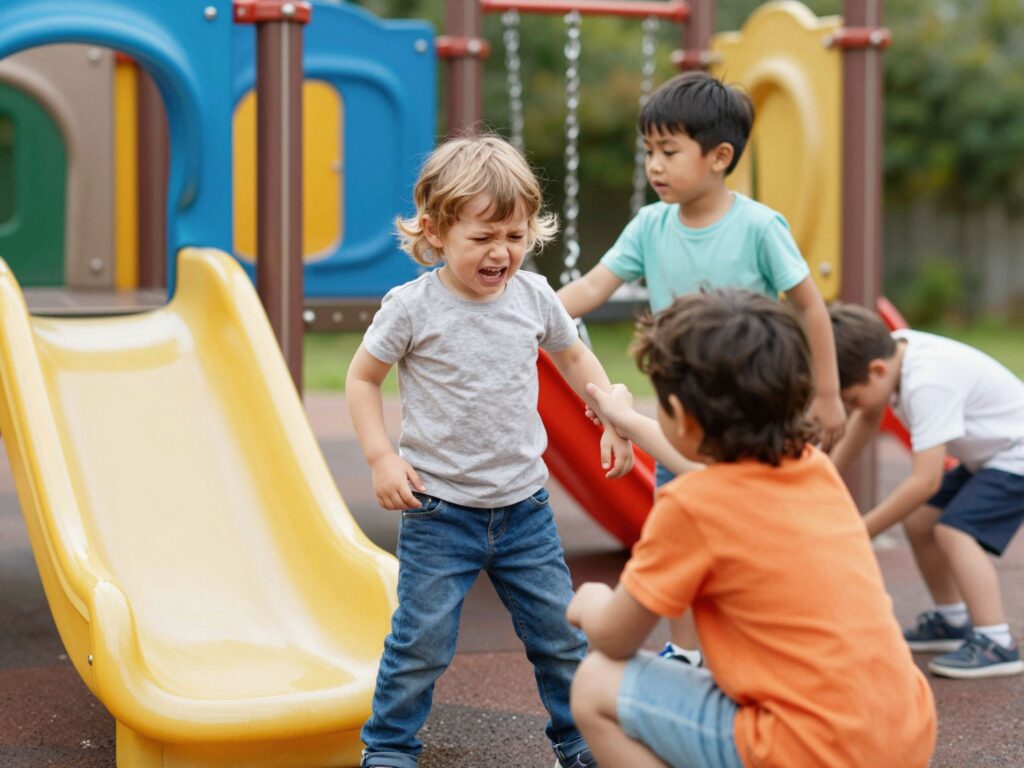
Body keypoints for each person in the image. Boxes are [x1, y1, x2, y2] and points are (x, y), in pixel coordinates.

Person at [346, 135, 633, 768]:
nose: (501, 251)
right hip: (438, 511)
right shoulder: (412, 308)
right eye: (483, 238)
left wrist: (612, 417)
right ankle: (389, 747)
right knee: (421, 641)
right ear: (436, 230)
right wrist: (379, 457)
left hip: (524, 509)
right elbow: (363, 377)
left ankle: (580, 741)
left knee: (560, 637)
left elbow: (576, 354)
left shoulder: (533, 296)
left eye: (515, 234)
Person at [566, 288, 936, 768]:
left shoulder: (692, 506)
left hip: (810, 749)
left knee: (596, 683)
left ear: (680, 415)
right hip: (904, 734)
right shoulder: (813, 468)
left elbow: (616, 638)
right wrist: (630, 422)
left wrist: (590, 603)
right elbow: (714, 472)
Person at [556, 71, 845, 471]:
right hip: (681, 412)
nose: (654, 166)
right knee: (681, 507)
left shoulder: (759, 227)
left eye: (669, 152)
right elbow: (590, 287)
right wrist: (530, 313)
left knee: (749, 509)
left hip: (753, 404)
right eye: (649, 151)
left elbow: (810, 307)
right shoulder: (649, 225)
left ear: (720, 157)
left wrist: (828, 394)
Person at [828, 303, 1024, 678]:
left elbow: (926, 481)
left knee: (955, 530)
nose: (851, 407)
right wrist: (824, 473)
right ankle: (953, 621)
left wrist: (861, 531)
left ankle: (997, 641)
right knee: (920, 521)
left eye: (850, 398)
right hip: (991, 455)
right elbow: (867, 417)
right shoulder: (894, 352)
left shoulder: (927, 381)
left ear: (877, 370)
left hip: (1016, 454)